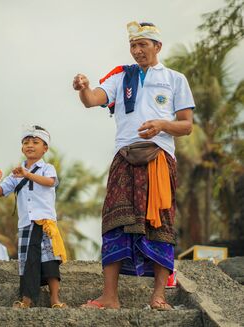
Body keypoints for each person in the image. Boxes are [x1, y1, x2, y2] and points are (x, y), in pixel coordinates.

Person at [73, 21, 194, 310]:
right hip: (124, 156)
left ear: (157, 47)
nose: (137, 50)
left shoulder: (175, 79)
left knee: (160, 223)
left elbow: (187, 125)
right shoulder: (120, 77)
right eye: (133, 45)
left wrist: (162, 125)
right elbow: (92, 101)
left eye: (143, 44)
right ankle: (110, 297)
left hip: (159, 158)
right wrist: (84, 87)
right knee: (114, 221)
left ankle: (158, 297)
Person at [0, 125, 67, 309]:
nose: (30, 145)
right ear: (22, 147)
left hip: (45, 222)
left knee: (50, 261)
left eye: (35, 142)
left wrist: (27, 174)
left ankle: (55, 299)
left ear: (45, 148)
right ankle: (27, 300)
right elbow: (1, 192)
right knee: (27, 263)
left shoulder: (47, 168)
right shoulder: (15, 173)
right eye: (26, 142)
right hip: (25, 224)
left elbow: (50, 182)